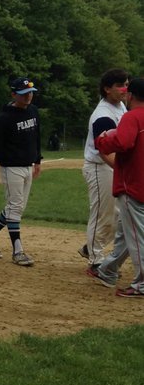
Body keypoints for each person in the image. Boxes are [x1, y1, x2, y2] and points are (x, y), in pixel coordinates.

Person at [87, 76, 144, 297]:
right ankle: (108, 270)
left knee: (137, 239)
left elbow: (122, 143)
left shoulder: (132, 117)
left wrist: (103, 139)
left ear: (130, 96)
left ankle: (141, 285)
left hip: (133, 185)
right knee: (127, 234)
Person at [0, 77, 42, 266]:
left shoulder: (33, 111)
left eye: (30, 93)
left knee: (17, 207)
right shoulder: (5, 118)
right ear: (14, 94)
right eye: (23, 94)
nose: (28, 97)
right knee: (14, 206)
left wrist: (38, 159)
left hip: (27, 165)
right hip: (11, 167)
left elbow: (36, 136)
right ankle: (18, 251)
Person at [81, 69, 128, 267]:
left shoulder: (121, 107)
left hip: (111, 167)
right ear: (107, 89)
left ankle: (90, 247)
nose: (124, 89)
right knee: (103, 213)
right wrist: (123, 170)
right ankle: (95, 259)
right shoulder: (103, 115)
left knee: (119, 216)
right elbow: (104, 150)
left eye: (126, 84)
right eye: (119, 85)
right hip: (100, 167)